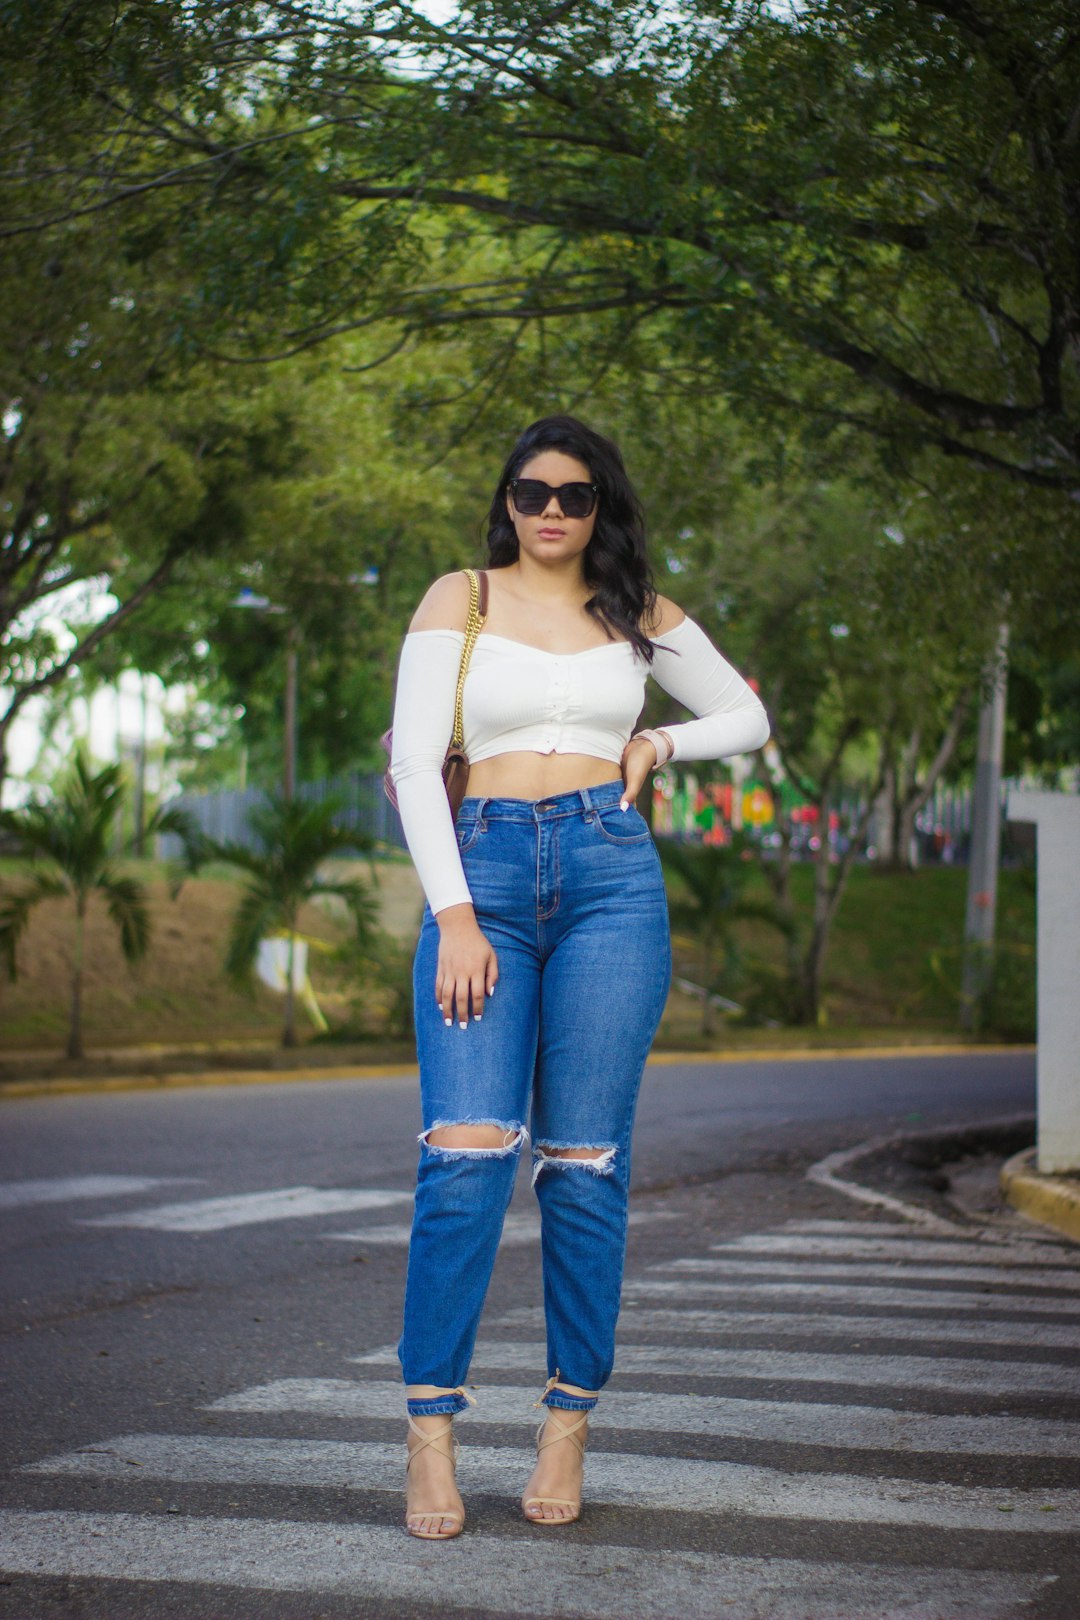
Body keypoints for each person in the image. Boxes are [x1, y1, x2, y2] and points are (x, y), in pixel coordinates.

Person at [388, 415, 770, 1539]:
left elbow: (746, 715)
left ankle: (567, 1419)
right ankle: (431, 1430)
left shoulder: (638, 613)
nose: (551, 511)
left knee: (585, 1166)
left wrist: (657, 747)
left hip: (610, 876)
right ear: (505, 500)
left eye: (575, 494)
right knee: (464, 1160)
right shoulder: (456, 598)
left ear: (603, 505)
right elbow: (416, 761)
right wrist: (454, 915)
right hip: (486, 877)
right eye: (531, 491)